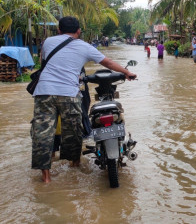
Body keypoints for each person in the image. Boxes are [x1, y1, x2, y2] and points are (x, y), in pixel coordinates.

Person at [31, 16, 137, 183]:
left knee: (43, 134)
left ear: (58, 30)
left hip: (44, 92)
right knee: (73, 131)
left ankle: (46, 178)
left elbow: (44, 62)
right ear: (79, 31)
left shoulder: (48, 42)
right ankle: (75, 166)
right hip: (69, 93)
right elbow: (108, 62)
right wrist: (127, 73)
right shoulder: (84, 46)